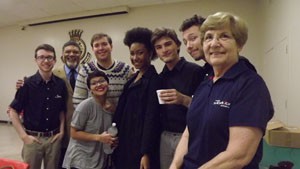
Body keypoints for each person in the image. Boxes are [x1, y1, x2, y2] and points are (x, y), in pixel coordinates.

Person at [170, 12, 274, 169]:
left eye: (224, 36)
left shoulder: (250, 86)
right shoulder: (205, 83)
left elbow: (238, 155)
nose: (214, 43)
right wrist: (174, 165)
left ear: (239, 44)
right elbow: (188, 132)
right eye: (208, 37)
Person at [12, 41, 82, 169]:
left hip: (54, 139)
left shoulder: (60, 84)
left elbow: (61, 109)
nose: (46, 61)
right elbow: (12, 110)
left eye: (49, 57)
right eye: (41, 57)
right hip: (33, 139)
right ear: (36, 60)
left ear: (55, 60)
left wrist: (61, 132)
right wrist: (24, 136)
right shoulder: (27, 84)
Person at [151, 27, 205, 169]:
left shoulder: (196, 72)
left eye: (168, 44)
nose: (164, 50)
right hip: (165, 137)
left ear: (178, 45)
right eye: (159, 47)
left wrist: (184, 100)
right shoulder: (159, 77)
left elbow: (206, 108)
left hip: (189, 136)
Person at [112, 27, 161, 169]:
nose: (135, 58)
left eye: (140, 53)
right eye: (132, 53)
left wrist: (145, 153)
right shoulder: (132, 78)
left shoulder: (154, 81)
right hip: (125, 141)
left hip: (139, 146)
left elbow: (151, 119)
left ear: (150, 53)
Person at [63, 70, 116, 169]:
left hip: (99, 160)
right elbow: (74, 133)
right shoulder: (84, 106)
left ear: (108, 84)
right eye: (94, 83)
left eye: (101, 81)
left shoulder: (111, 108)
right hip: (80, 161)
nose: (99, 85)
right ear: (89, 89)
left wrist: (112, 140)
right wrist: (99, 137)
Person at [73, 33, 132, 109]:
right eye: (96, 45)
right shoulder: (85, 71)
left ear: (111, 46)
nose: (101, 48)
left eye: (104, 44)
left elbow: (131, 100)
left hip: (120, 119)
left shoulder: (126, 70)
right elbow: (78, 101)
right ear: (92, 49)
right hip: (93, 120)